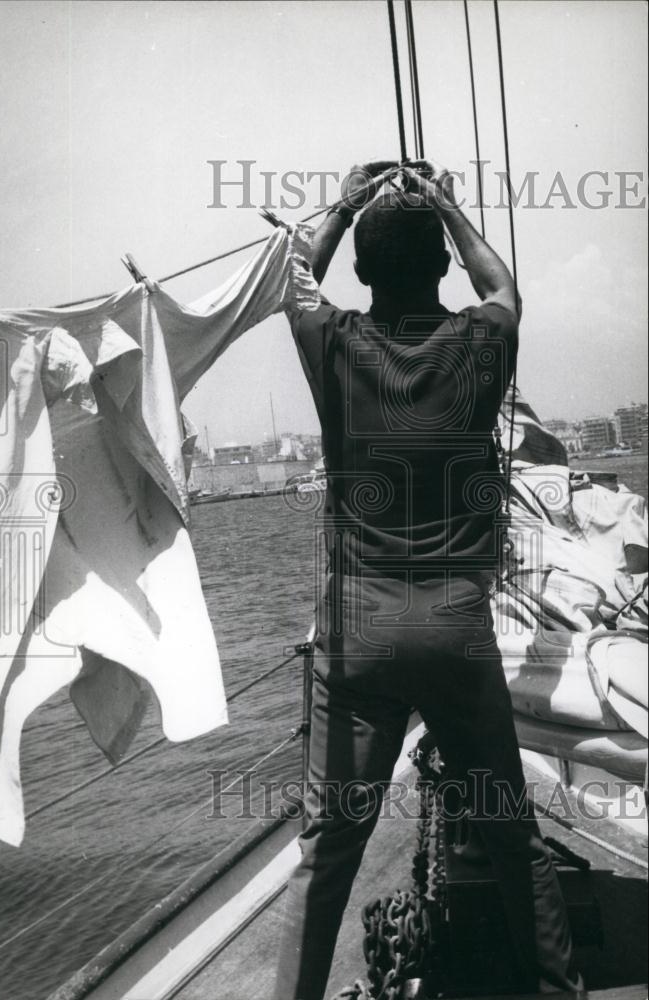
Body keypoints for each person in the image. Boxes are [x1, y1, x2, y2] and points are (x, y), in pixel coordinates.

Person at [274, 159, 581, 999]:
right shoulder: (480, 343)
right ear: (441, 262)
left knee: (326, 851)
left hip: (360, 632)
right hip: (454, 626)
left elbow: (291, 277)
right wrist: (444, 201)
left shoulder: (333, 342)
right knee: (508, 832)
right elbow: (503, 285)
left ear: (365, 272)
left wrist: (343, 203)